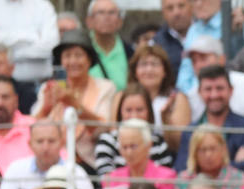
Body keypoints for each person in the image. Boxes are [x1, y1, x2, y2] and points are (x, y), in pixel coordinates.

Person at [32, 30, 117, 167]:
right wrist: (46, 108)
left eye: (78, 55)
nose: (73, 61)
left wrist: (75, 105)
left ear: (89, 60)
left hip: (89, 162)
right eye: (67, 56)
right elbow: (33, 129)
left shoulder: (106, 88)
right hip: (53, 162)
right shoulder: (48, 88)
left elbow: (103, 130)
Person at [173, 64, 244, 171]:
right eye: (208, 89)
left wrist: (201, 166)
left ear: (231, 91)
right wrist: (234, 165)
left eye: (220, 88)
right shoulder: (190, 131)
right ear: (199, 92)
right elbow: (182, 170)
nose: (214, 95)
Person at [182, 36, 244, 139]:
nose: (198, 65)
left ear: (222, 59)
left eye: (203, 58)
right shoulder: (192, 94)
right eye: (194, 61)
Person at [103, 117, 179, 189]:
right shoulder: (113, 178)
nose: (129, 152)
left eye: (133, 146)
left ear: (148, 145)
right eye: (124, 147)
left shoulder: (165, 177)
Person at [0, 0, 60, 83]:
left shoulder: (43, 6)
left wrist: (4, 55)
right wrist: (33, 36)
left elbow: (51, 46)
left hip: (39, 83)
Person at [93, 87, 175, 176]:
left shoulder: (158, 141)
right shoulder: (107, 141)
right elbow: (105, 179)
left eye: (140, 110)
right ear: (120, 112)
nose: (134, 115)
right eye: (128, 110)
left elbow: (165, 176)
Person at [129, 43, 192, 153]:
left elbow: (181, 144)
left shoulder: (177, 99)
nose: (149, 70)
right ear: (135, 71)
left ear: (165, 71)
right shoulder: (123, 96)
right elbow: (115, 134)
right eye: (143, 64)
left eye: (154, 64)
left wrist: (166, 119)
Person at [175, 126, 244, 189]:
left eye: (213, 149)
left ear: (223, 150)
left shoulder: (238, 178)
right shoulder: (183, 180)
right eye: (203, 150)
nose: (208, 155)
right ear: (194, 153)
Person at [86, 0, 133, 90]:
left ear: (120, 21)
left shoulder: (131, 53)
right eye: (101, 13)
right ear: (89, 21)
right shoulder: (81, 50)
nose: (106, 17)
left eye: (112, 13)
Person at [154, 0, 193, 76]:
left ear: (192, 7)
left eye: (181, 6)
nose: (176, 13)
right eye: (170, 8)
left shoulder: (209, 32)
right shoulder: (156, 45)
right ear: (163, 13)